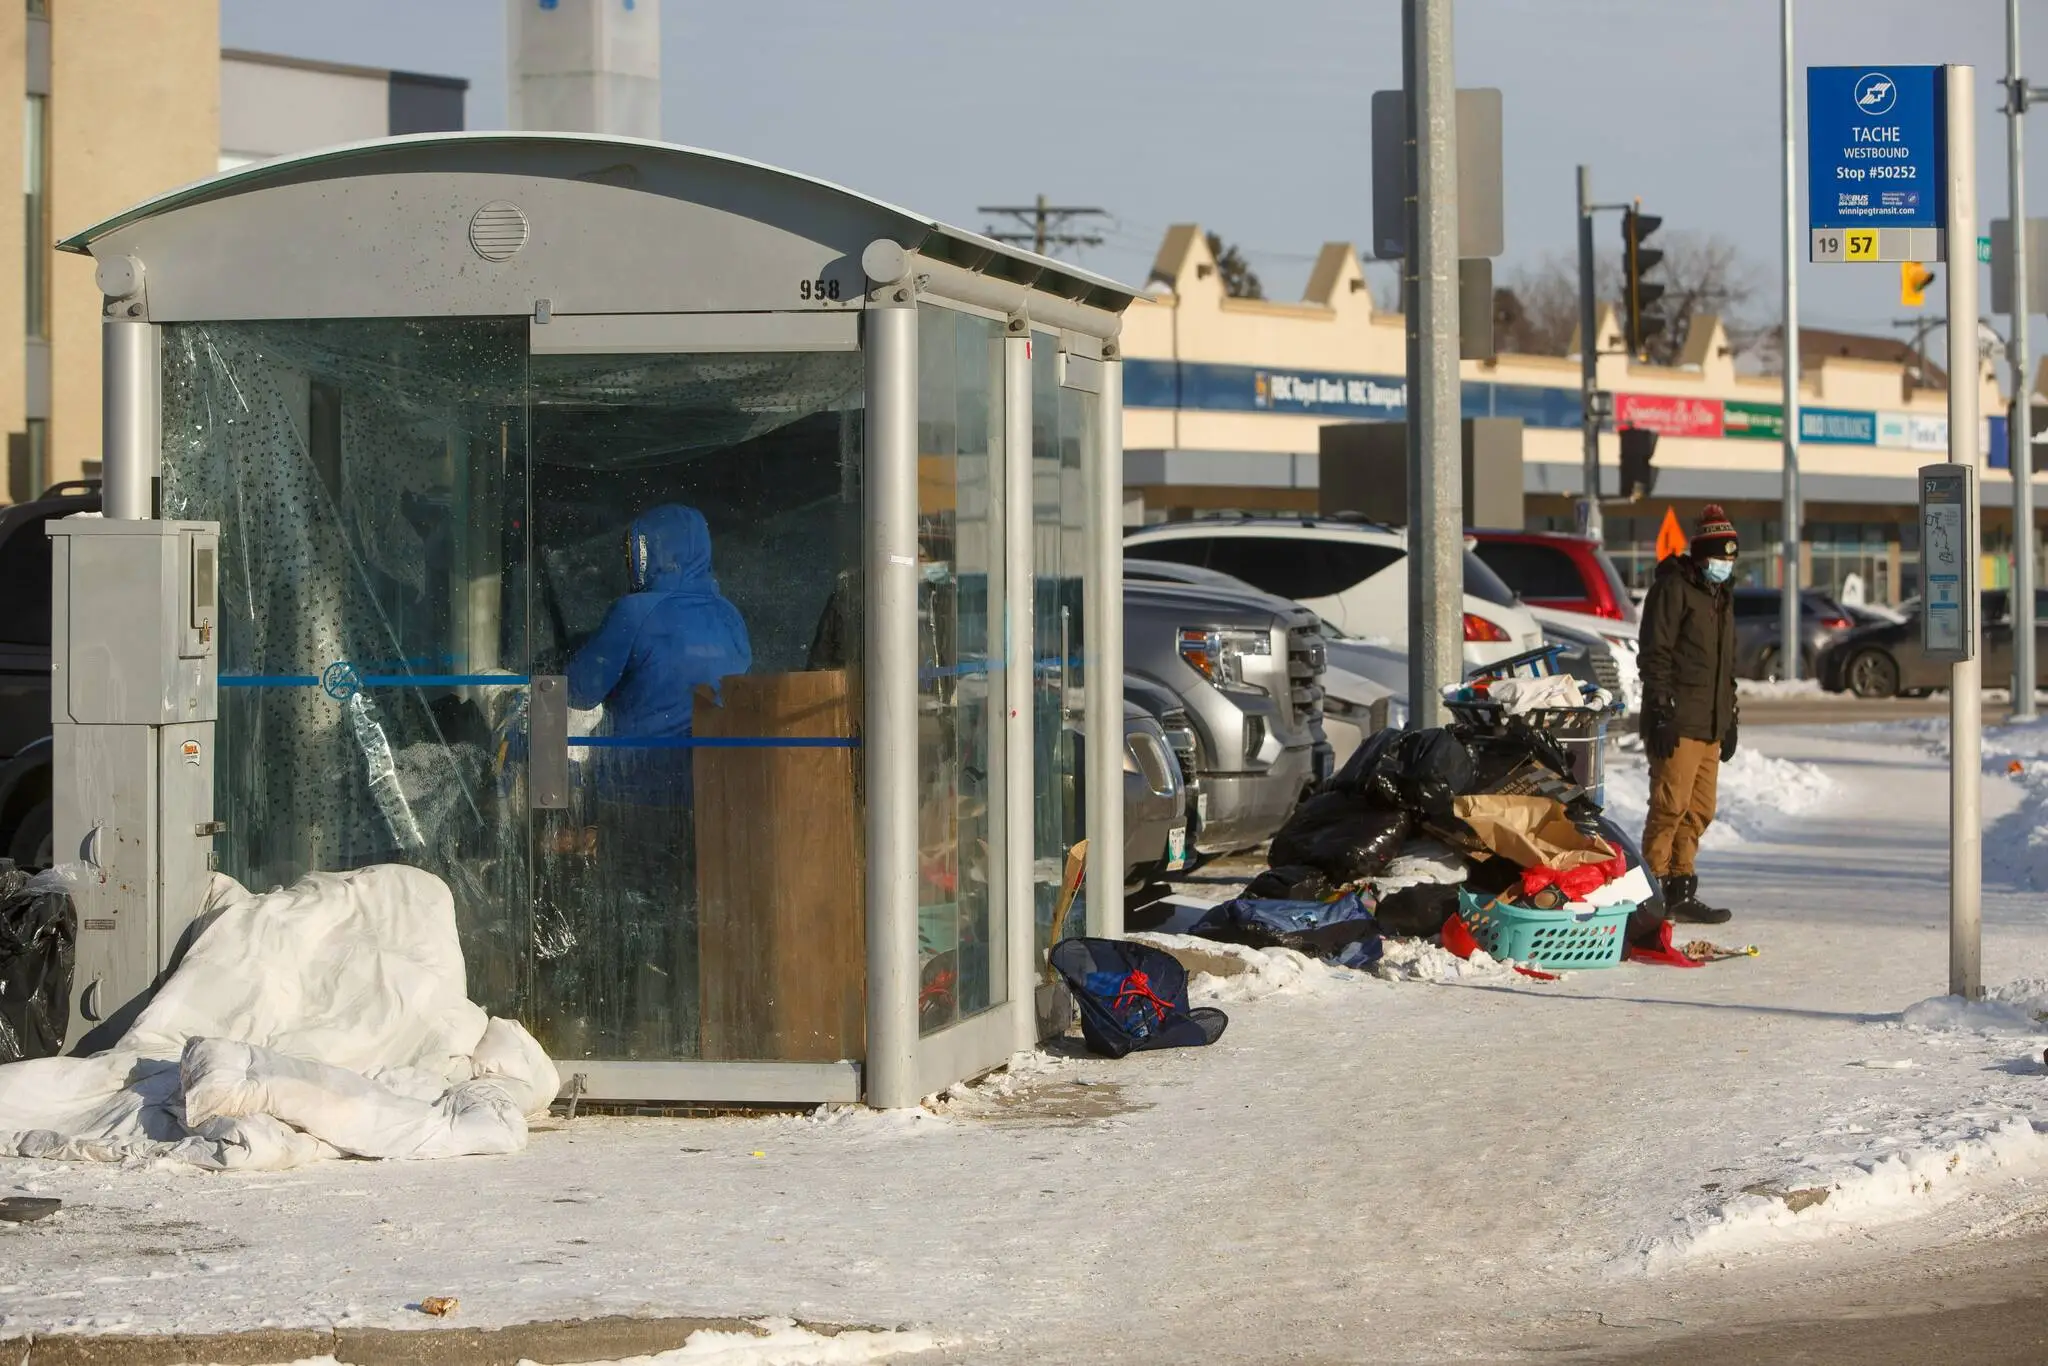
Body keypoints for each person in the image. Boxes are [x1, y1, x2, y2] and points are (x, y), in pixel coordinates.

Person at [1638, 504, 1739, 926]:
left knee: (1699, 810)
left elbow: (1725, 664)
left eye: (1731, 560)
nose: (1725, 567)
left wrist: (1731, 716)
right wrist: (1660, 710)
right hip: (1678, 721)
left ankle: (1681, 886)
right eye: (1720, 559)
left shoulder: (1720, 596)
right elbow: (1655, 653)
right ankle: (1651, 889)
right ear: (1701, 557)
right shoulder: (1673, 589)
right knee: (1670, 806)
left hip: (1710, 721)